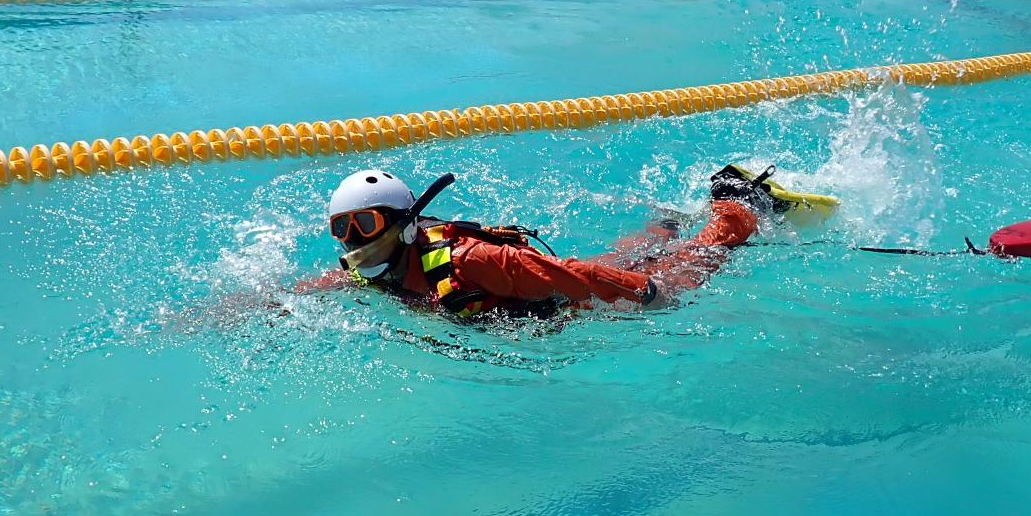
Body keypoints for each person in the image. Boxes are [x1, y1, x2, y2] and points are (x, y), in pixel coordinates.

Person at [309, 163, 830, 320]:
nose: (354, 242)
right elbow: (326, 283)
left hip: (565, 299)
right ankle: (666, 222)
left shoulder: (473, 261)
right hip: (542, 294)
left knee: (682, 275)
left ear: (403, 224)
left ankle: (739, 206)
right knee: (629, 254)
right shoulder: (375, 271)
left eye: (365, 225)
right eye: (342, 229)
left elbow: (573, 276)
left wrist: (649, 294)